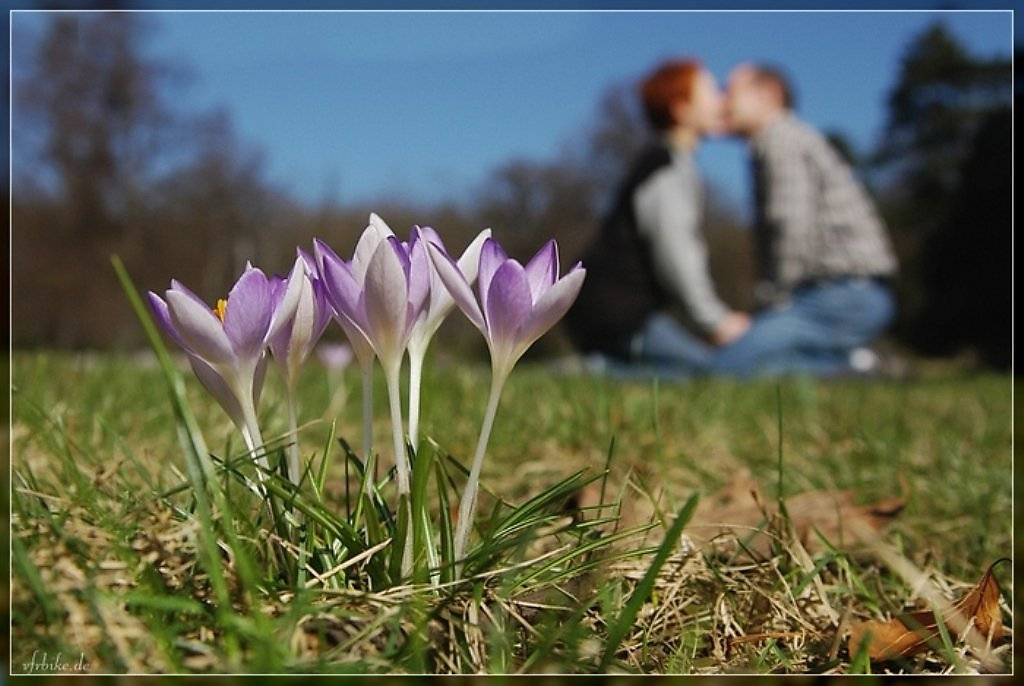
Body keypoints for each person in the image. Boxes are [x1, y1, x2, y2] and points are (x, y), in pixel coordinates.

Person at [712, 63, 899, 377]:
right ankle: (856, 364)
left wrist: (773, 302)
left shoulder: (780, 138)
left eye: (730, 91)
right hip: (848, 293)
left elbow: (791, 226)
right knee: (756, 362)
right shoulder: (783, 139)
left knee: (733, 366)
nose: (722, 101)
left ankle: (859, 371)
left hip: (841, 295)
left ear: (768, 95)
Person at [565, 59, 749, 377]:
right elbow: (676, 253)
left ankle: (602, 367)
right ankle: (596, 371)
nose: (722, 100)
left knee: (687, 372)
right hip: (619, 316)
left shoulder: (665, 163)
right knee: (711, 374)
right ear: (682, 109)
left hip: (605, 312)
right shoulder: (666, 170)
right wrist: (715, 320)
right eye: (710, 92)